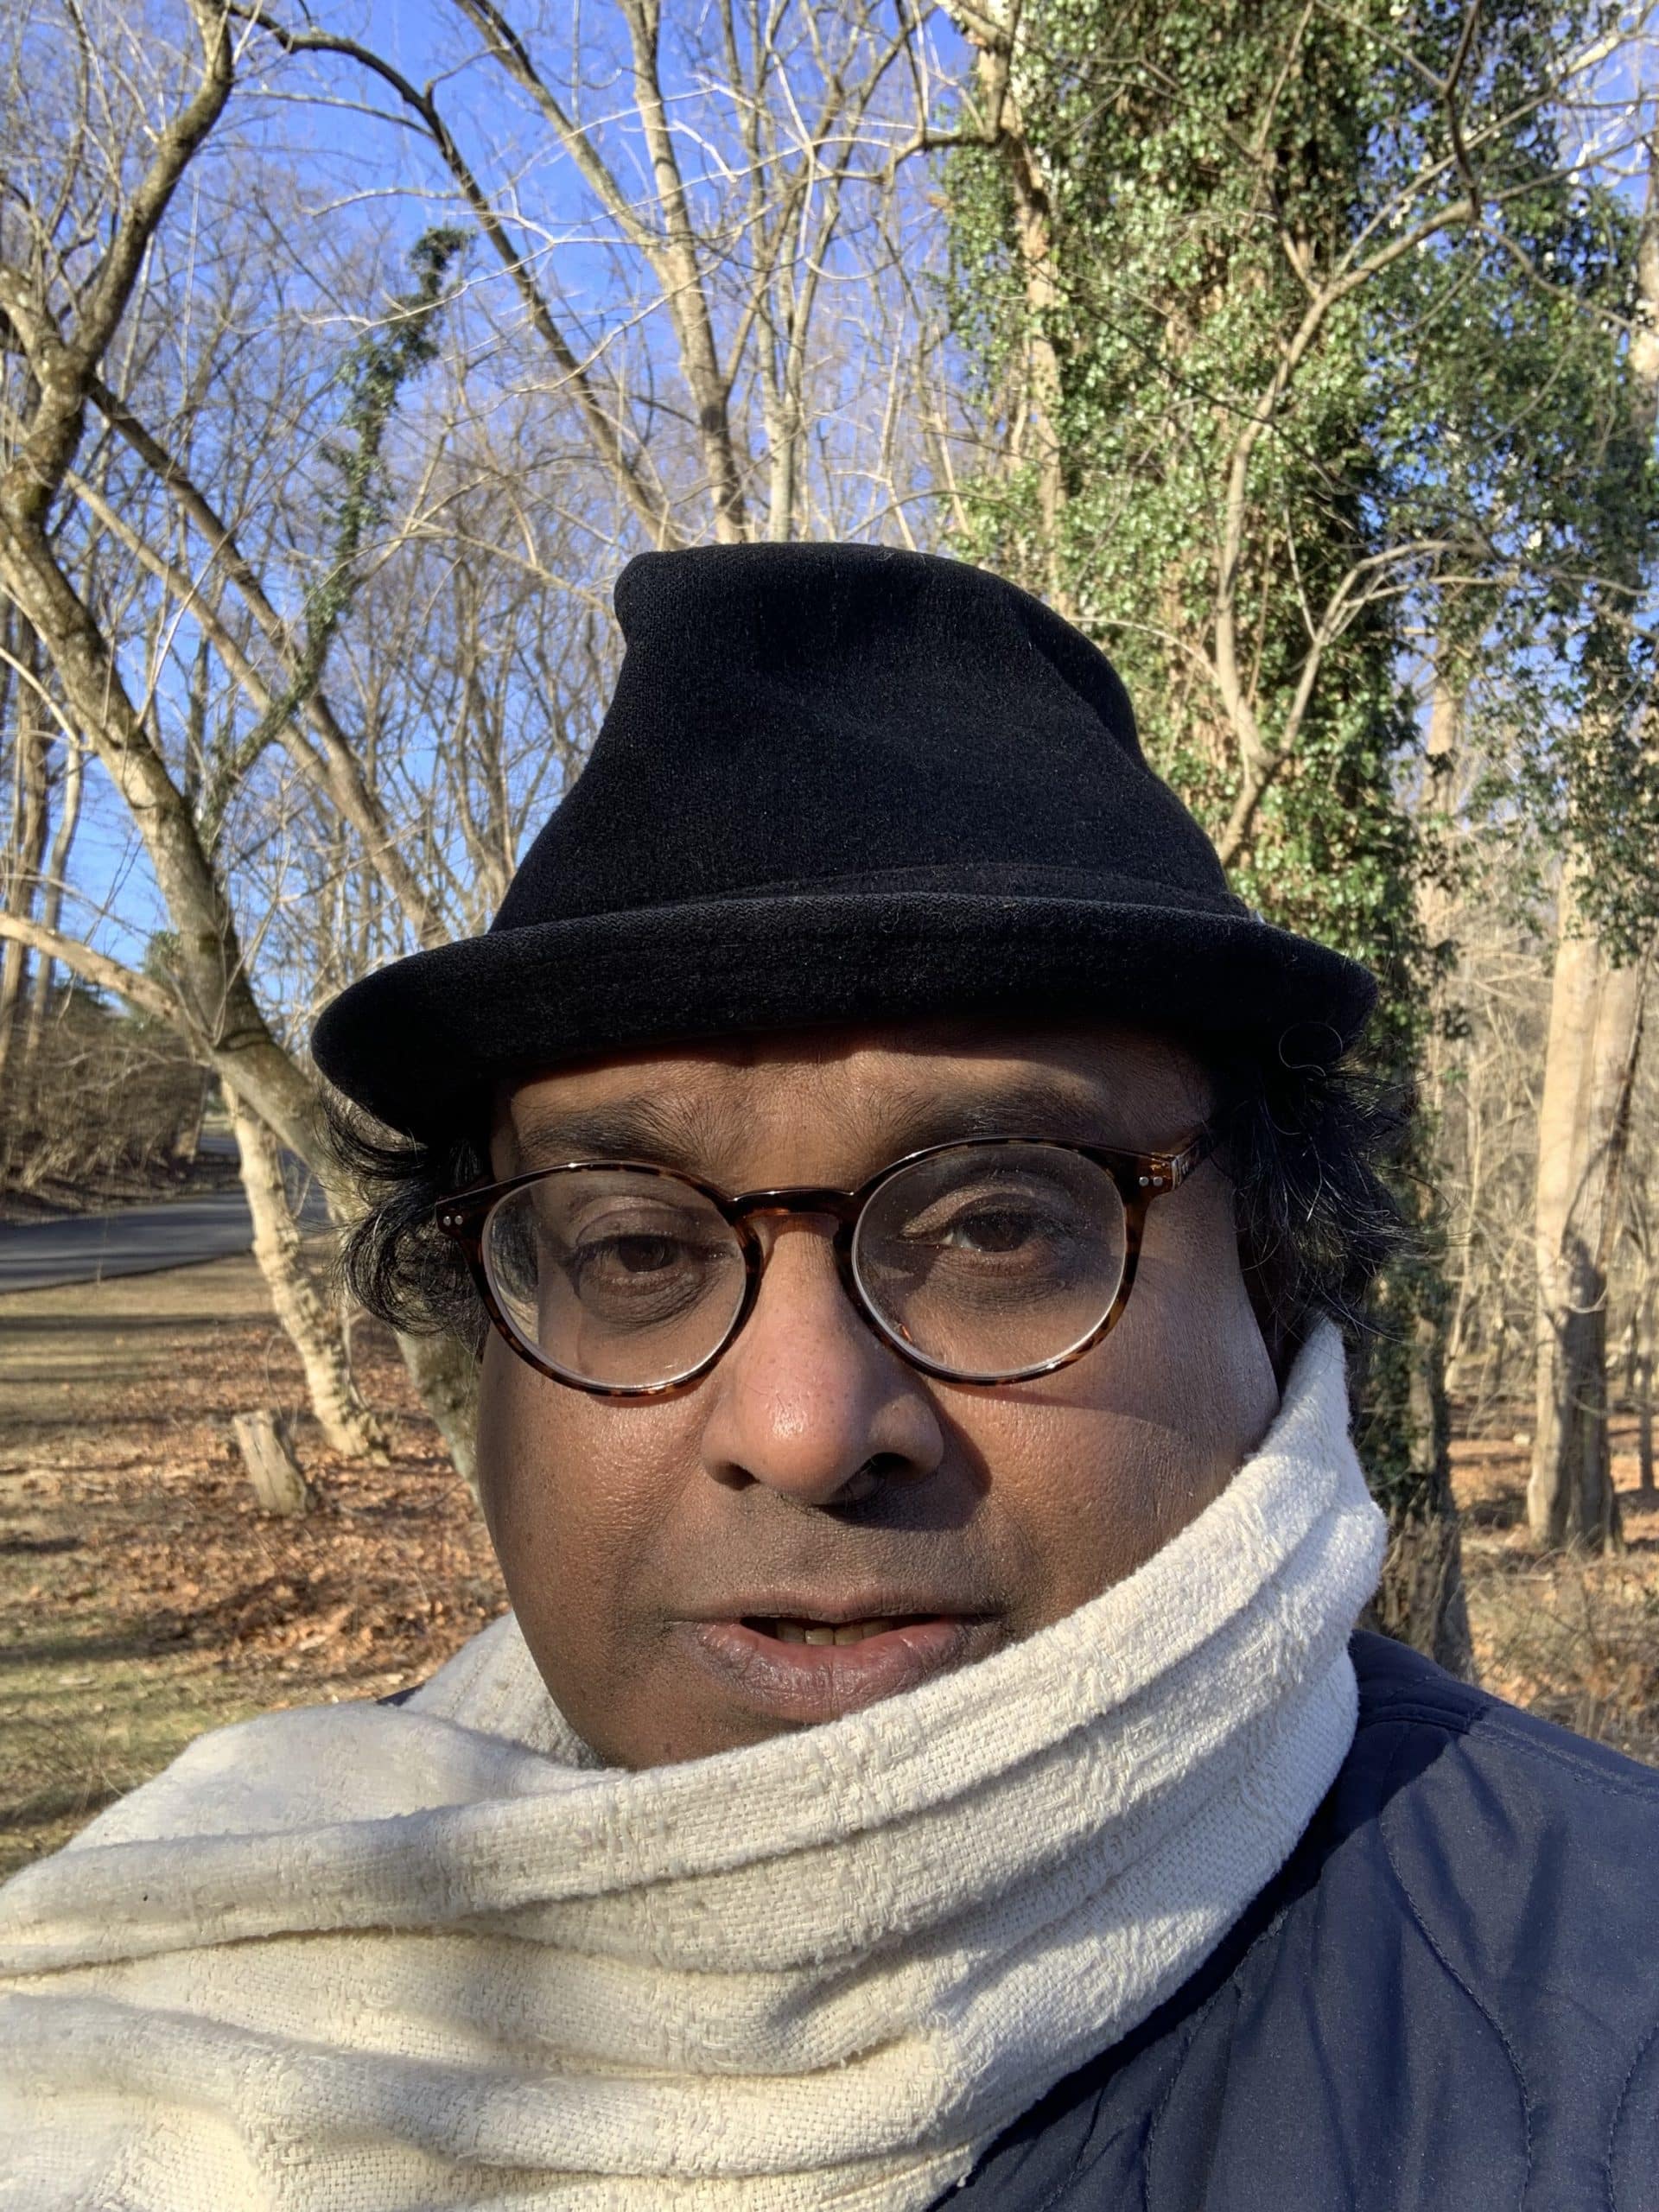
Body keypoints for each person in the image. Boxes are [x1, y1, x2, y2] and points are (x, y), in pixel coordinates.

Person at [1, 543, 1655, 2210]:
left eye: (1000, 1226)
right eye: (631, 1249)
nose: (801, 1429)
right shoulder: (188, 1948)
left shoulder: (1606, 2025)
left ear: (1274, 1280)